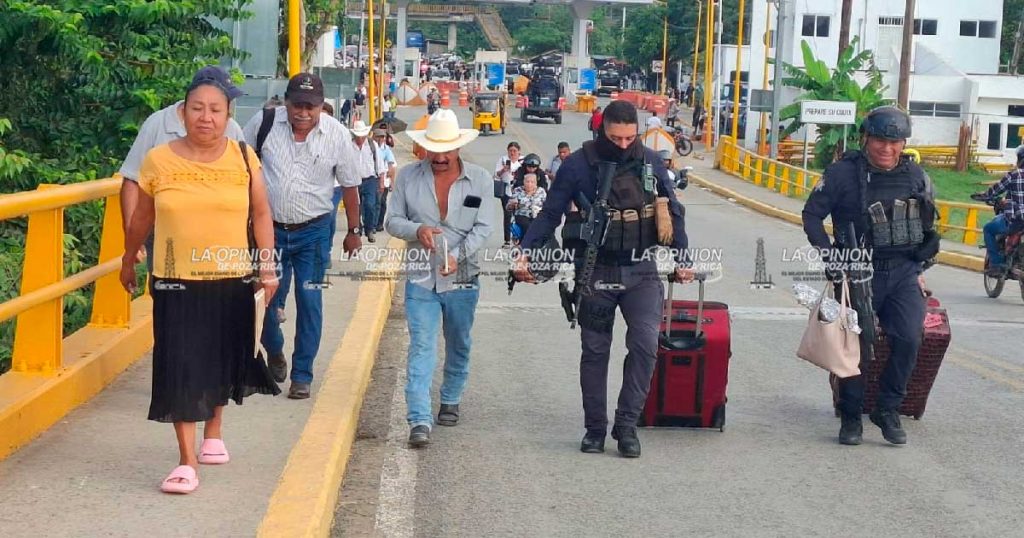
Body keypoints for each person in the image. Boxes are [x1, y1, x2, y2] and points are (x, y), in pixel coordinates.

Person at [119, 69, 280, 494]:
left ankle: (214, 433)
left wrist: (267, 267)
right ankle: (186, 460)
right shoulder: (159, 160)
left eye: (215, 110)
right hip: (175, 279)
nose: (205, 117)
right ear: (182, 113)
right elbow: (142, 217)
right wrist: (128, 257)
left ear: (228, 115)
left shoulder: (244, 157)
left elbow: (261, 214)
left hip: (231, 277)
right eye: (197, 109)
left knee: (223, 358)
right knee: (181, 362)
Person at [513, 100, 695, 458]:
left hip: (642, 270)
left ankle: (626, 426)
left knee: (645, 346)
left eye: (630, 137)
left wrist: (682, 258)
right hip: (595, 269)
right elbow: (551, 212)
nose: (624, 144)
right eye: (616, 137)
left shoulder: (651, 161)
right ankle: (594, 429)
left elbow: (673, 210)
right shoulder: (578, 165)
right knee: (595, 351)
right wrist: (526, 249)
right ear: (602, 129)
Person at [801, 106, 940, 446]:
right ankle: (851, 416)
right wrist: (831, 258)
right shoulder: (841, 173)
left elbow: (925, 227)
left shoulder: (916, 176)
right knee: (857, 347)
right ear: (866, 138)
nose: (887, 149)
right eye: (880, 140)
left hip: (903, 272)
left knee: (909, 338)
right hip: (856, 271)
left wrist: (920, 268)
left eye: (895, 142)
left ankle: (887, 409)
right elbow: (812, 216)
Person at [243, 72, 363, 399]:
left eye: (311, 107)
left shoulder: (337, 135)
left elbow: (351, 186)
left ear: (321, 106)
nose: (303, 112)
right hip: (270, 234)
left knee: (310, 301)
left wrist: (354, 231)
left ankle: (302, 375)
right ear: (286, 101)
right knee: (263, 298)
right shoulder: (264, 123)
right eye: (297, 105)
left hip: (314, 233)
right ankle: (275, 347)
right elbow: (241, 166)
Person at [386, 109, 495, 447]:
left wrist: (455, 255)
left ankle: (450, 397)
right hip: (420, 275)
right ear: (425, 149)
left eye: (447, 149)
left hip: (462, 276)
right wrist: (417, 229)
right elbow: (392, 221)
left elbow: (483, 226)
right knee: (421, 345)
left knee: (459, 340)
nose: (442, 157)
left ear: (458, 148)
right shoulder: (407, 177)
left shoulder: (479, 180)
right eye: (435, 150)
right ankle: (419, 419)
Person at [119, 66, 245, 273]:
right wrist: (132, 237)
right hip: (165, 230)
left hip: (216, 233)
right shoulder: (158, 124)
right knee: (167, 291)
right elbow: (132, 180)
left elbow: (245, 185)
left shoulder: (231, 129)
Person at [978, 147, 1024, 275]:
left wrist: (984, 195)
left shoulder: (1014, 175)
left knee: (988, 229)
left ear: (1019, 159)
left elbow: (995, 191)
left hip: (1017, 221)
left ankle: (996, 265)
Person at [349, 120, 387, 243]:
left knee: (370, 205)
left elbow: (380, 165)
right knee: (355, 207)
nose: (360, 138)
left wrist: (381, 182)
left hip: (370, 179)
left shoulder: (372, 145)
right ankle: (357, 228)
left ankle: (369, 229)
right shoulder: (348, 145)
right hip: (353, 180)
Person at [494, 141, 523, 247]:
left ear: (519, 151)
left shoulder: (522, 161)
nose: (512, 153)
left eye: (514, 151)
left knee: (519, 216)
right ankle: (507, 240)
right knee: (507, 215)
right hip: (506, 191)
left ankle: (519, 238)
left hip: (519, 191)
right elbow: (496, 174)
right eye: (510, 151)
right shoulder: (503, 160)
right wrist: (503, 170)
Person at [506, 172, 546, 241]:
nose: (529, 184)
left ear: (536, 183)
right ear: (524, 182)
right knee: (527, 226)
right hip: (522, 216)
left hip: (537, 216)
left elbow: (546, 205)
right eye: (527, 182)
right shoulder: (518, 190)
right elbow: (508, 207)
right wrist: (512, 205)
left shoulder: (541, 191)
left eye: (532, 182)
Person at [373, 126, 399, 233]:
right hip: (373, 178)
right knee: (374, 202)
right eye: (379, 137)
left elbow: (391, 165)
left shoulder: (386, 149)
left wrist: (392, 182)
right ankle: (373, 224)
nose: (381, 139)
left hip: (385, 180)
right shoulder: (371, 147)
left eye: (382, 137)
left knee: (381, 202)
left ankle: (378, 224)